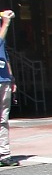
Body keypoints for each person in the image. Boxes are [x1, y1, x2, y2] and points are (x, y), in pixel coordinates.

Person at [0, 10, 17, 166]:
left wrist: (11, 77)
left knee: (3, 119)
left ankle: (4, 154)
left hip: (3, 79)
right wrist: (5, 23)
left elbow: (5, 54)